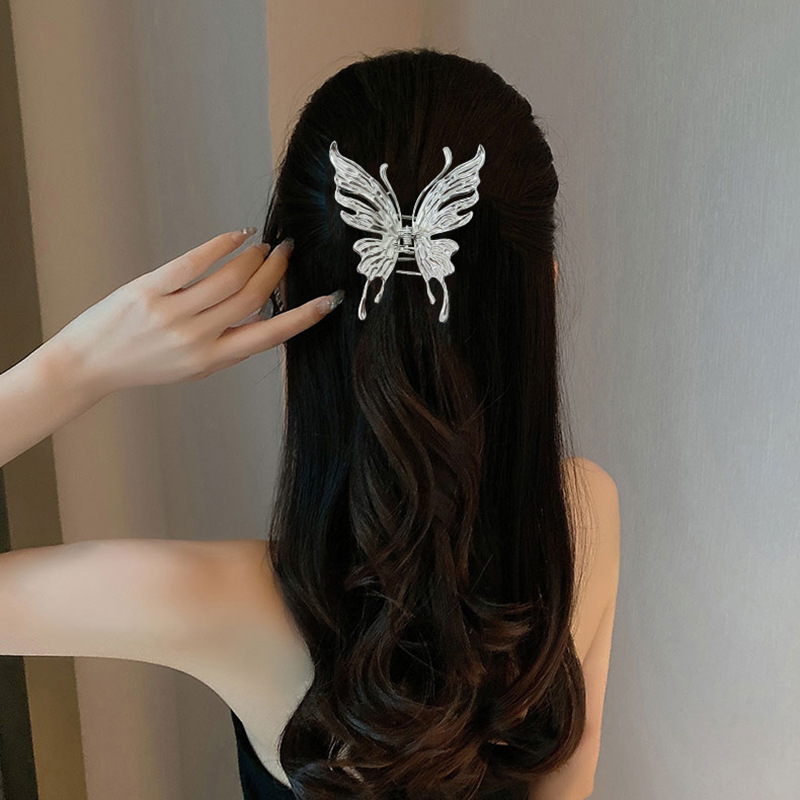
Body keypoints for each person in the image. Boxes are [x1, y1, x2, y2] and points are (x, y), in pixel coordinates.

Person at [0, 48, 619, 800]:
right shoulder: (587, 515)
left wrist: (74, 366)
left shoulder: (209, 601)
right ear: (542, 290)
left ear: (291, 305)